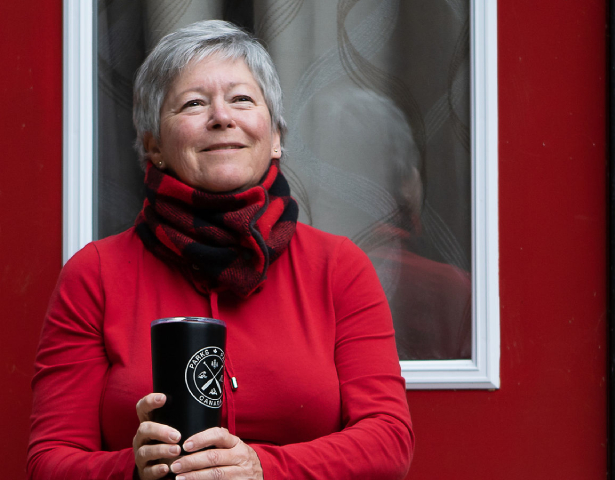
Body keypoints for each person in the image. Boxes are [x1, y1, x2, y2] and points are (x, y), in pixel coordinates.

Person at [27, 20, 414, 480]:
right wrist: (131, 469)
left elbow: (389, 440)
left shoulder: (337, 267)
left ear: (275, 137)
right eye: (193, 103)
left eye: (242, 99)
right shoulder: (95, 274)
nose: (221, 117)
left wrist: (264, 469)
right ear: (153, 146)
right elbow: (49, 460)